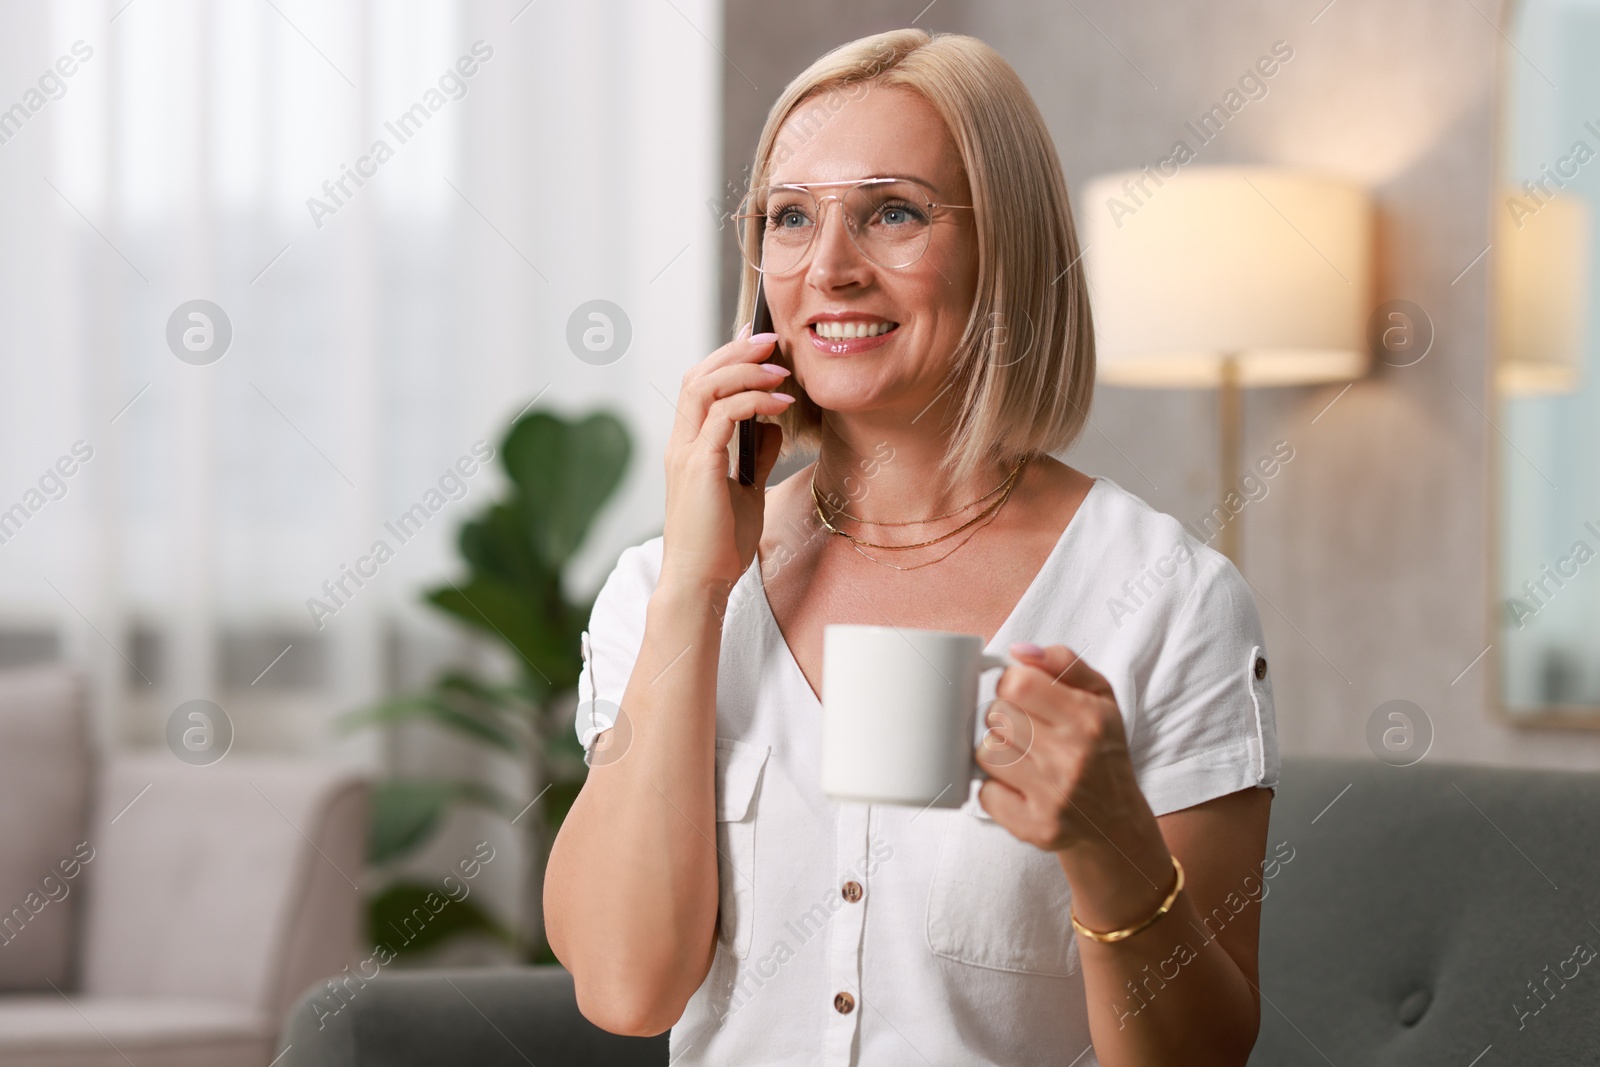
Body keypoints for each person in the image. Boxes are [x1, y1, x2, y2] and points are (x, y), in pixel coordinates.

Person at [544, 27, 1279, 1067]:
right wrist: (694, 592)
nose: (829, 269)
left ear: (1004, 248)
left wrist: (1109, 841)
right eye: (789, 217)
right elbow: (626, 988)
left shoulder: (1166, 597)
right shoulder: (661, 586)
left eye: (891, 212)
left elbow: (1199, 1055)